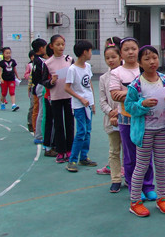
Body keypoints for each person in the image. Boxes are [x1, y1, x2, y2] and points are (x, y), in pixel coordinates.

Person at [125, 45, 165, 217]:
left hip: (162, 129)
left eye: (154, 57)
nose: (152, 61)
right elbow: (129, 107)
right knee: (142, 165)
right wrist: (142, 104)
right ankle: (135, 201)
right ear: (140, 63)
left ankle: (162, 198)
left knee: (161, 164)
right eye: (147, 59)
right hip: (144, 131)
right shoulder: (136, 84)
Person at [110, 37, 156, 201]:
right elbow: (115, 95)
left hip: (146, 118)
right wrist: (137, 92)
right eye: (126, 49)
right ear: (121, 53)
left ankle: (148, 186)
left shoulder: (144, 68)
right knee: (130, 156)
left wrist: (127, 92)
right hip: (126, 119)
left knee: (146, 154)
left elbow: (152, 90)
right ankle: (133, 186)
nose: (130, 52)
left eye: (134, 49)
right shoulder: (116, 72)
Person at [64, 40, 97, 172]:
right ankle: (72, 160)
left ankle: (83, 157)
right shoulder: (72, 69)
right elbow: (67, 88)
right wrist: (81, 98)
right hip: (79, 105)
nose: (91, 53)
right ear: (84, 52)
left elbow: (89, 85)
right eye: (90, 51)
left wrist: (92, 102)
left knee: (88, 131)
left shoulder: (87, 66)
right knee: (81, 131)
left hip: (88, 103)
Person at [43, 35, 74, 164]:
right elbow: (44, 81)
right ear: (51, 46)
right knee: (58, 124)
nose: (61, 47)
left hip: (69, 96)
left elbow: (75, 75)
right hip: (55, 97)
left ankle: (70, 150)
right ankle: (60, 151)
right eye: (58, 44)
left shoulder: (69, 60)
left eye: (63, 44)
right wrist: (51, 81)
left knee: (70, 124)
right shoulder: (47, 63)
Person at [98, 40, 124, 191]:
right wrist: (110, 112)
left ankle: (129, 177)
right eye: (107, 58)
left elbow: (130, 96)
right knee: (114, 151)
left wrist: (119, 111)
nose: (111, 60)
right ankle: (115, 178)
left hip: (126, 118)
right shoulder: (103, 78)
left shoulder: (126, 74)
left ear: (120, 56)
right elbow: (102, 100)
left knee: (128, 151)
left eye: (113, 57)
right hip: (111, 120)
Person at [0, 47, 20, 111]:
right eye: (7, 53)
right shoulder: (2, 62)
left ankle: (13, 105)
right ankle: (2, 103)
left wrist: (17, 76)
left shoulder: (13, 61)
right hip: (4, 79)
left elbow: (14, 69)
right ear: (3, 54)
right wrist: (1, 78)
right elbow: (0, 71)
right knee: (4, 93)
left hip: (12, 79)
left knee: (12, 92)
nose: (8, 54)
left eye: (9, 53)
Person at [24, 50, 35, 132]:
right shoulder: (30, 65)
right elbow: (26, 74)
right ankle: (30, 122)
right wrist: (31, 75)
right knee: (32, 105)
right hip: (32, 87)